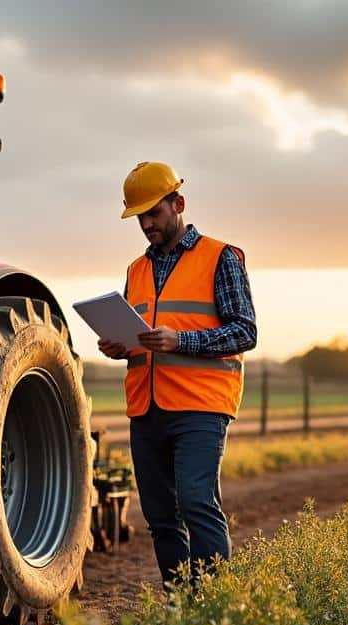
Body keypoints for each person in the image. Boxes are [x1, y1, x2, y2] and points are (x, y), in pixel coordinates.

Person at [97, 161, 257, 589]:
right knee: (160, 517)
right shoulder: (136, 270)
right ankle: (180, 606)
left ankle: (215, 607)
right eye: (140, 218)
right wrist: (119, 345)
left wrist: (181, 342)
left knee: (196, 502)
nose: (147, 224)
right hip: (146, 407)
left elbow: (245, 330)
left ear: (179, 204)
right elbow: (142, 335)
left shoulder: (222, 257)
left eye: (154, 214)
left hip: (201, 407)